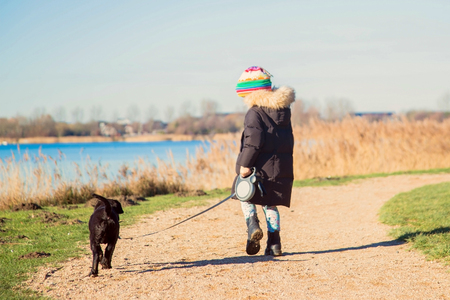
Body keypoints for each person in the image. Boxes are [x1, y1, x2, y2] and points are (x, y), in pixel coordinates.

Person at [232, 66, 295, 256]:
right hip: (279, 166)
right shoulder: (283, 111)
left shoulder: (255, 113)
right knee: (270, 203)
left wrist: (245, 165)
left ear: (251, 93)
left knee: (243, 192)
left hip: (258, 166)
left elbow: (253, 142)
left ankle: (252, 226)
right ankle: (274, 243)